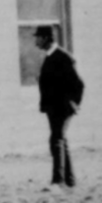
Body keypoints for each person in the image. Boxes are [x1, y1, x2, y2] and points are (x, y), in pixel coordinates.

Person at [34, 25, 85, 190]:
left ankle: (58, 181)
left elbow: (79, 84)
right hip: (53, 108)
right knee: (60, 140)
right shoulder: (50, 56)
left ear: (46, 38)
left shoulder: (63, 57)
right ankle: (69, 180)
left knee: (56, 140)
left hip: (62, 108)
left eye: (38, 38)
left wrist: (74, 104)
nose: (36, 41)